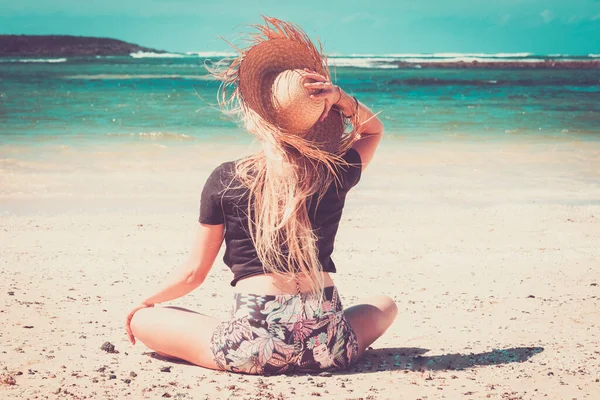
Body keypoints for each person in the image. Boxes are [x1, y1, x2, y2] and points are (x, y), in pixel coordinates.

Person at [125, 17, 397, 375]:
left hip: (256, 346)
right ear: (320, 117)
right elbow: (373, 129)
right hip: (329, 343)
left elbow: (193, 274)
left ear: (258, 114)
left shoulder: (228, 177)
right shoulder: (334, 170)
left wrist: (146, 302)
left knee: (146, 319)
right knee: (385, 304)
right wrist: (341, 98)